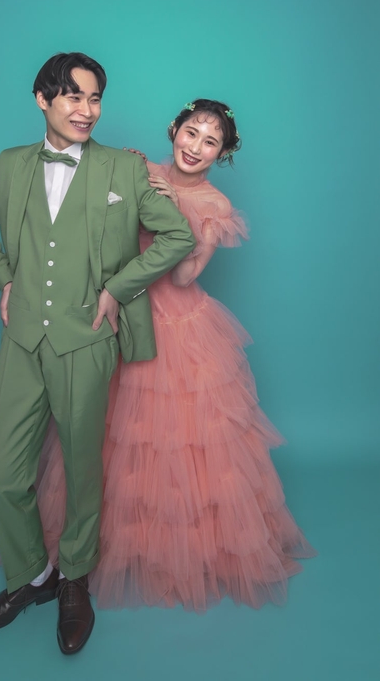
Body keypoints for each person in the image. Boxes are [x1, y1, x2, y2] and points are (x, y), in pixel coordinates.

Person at [36, 99, 316, 613]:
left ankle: (167, 548)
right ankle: (85, 546)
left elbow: (185, 277)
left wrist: (179, 216)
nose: (196, 147)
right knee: (105, 431)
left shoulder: (214, 204)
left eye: (211, 142)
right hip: (121, 309)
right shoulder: (139, 168)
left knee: (169, 440)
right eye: (191, 133)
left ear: (222, 154)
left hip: (177, 324)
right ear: (174, 130)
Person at [0, 52, 196, 654]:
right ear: (42, 100)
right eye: (73, 96)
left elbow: (177, 235)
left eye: (94, 98)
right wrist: (4, 278)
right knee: (2, 475)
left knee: (81, 468)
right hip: (22, 339)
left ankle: (74, 580)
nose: (86, 110)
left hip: (87, 339)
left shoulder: (124, 168)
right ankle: (31, 576)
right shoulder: (10, 164)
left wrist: (118, 289)